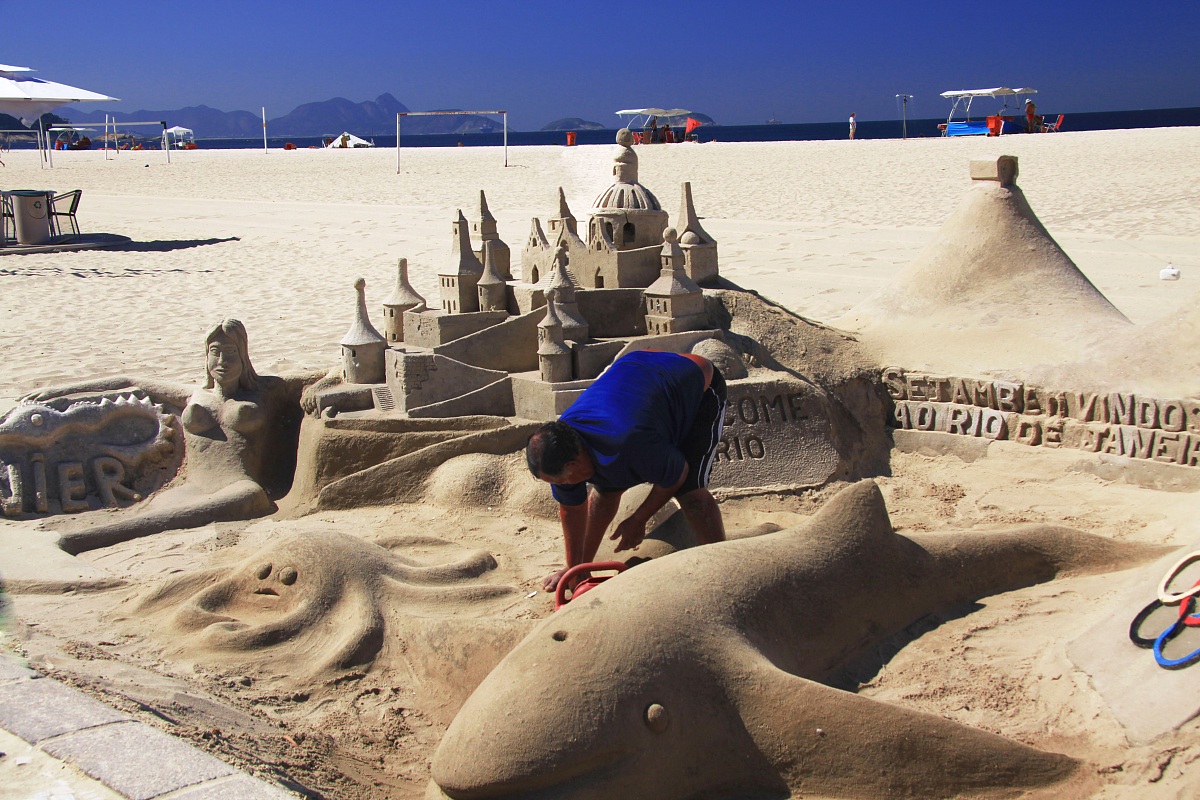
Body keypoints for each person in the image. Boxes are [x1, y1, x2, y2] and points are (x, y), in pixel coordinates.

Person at [23, 319, 308, 553]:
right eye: (215, 352)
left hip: (239, 488)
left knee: (250, 495)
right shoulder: (194, 394)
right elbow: (130, 382)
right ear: (206, 356)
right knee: (161, 512)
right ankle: (94, 535)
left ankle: (88, 538)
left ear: (244, 356)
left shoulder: (265, 389)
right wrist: (58, 392)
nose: (222, 360)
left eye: (231, 352)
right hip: (194, 487)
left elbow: (327, 374)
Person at [526, 350, 728, 591]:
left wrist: (638, 519)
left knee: (690, 492)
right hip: (639, 378)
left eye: (560, 481)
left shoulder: (628, 442)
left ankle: (722, 569)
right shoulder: (562, 449)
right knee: (606, 491)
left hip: (697, 381)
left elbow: (678, 472)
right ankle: (582, 568)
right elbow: (571, 510)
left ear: (572, 466)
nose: (560, 486)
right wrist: (574, 569)